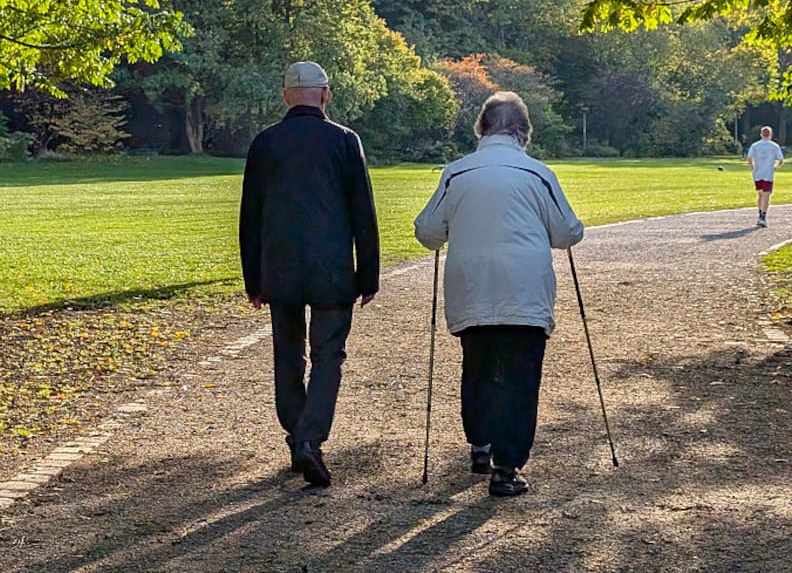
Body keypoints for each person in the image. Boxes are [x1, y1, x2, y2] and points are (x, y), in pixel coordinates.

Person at [413, 91, 583, 498]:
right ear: (523, 132)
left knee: (478, 367)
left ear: (482, 129)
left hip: (472, 287)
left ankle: (480, 443)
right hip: (524, 289)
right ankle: (507, 467)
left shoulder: (456, 173)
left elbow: (427, 231)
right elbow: (567, 232)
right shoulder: (537, 173)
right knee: (521, 378)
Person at [239, 61, 380, 488]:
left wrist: (253, 278)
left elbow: (250, 216)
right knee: (328, 357)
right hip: (331, 268)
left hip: (279, 269)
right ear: (325, 94)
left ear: (285, 97)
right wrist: (368, 275)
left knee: (287, 355)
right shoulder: (343, 141)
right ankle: (310, 439)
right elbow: (363, 213)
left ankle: (295, 435)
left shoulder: (265, 143)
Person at [747, 125, 784, 227]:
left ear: (761, 134)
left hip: (757, 173)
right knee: (766, 195)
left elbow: (749, 158)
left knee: (760, 194)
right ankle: (763, 216)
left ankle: (760, 213)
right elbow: (780, 160)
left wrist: (753, 166)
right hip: (768, 173)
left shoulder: (755, 145)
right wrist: (776, 166)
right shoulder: (774, 146)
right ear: (770, 135)